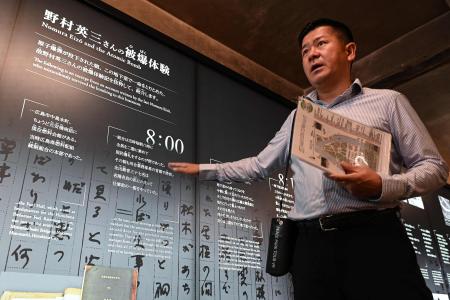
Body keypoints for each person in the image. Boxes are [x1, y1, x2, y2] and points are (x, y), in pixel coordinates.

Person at [169, 18, 449, 300]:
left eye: (321, 44)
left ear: (349, 51)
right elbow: (259, 165)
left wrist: (380, 186)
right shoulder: (297, 118)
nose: (311, 54)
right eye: (304, 51)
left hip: (374, 238)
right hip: (310, 247)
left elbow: (434, 167)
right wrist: (204, 170)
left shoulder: (389, 102)